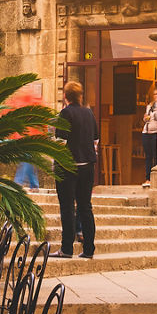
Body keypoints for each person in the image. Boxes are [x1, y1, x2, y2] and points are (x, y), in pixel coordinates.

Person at [55, 81, 98, 258]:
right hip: (87, 165)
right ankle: (88, 249)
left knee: (67, 207)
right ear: (80, 95)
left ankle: (67, 248)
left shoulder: (65, 113)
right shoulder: (89, 113)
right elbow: (95, 139)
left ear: (65, 96)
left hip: (69, 166)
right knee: (85, 207)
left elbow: (60, 141)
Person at [141, 86, 157, 187]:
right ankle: (148, 178)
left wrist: (151, 116)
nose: (156, 96)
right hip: (146, 132)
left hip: (156, 132)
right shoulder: (149, 105)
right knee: (148, 156)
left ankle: (156, 179)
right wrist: (145, 118)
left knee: (156, 156)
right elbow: (146, 118)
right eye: (155, 94)